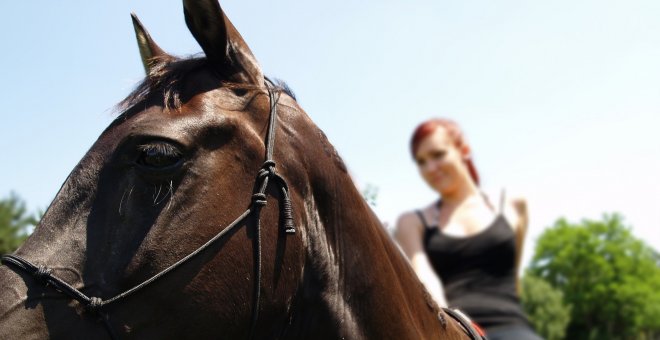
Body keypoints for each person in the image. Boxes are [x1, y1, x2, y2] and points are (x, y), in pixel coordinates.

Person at [395, 118, 542, 340]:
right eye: (421, 161)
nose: (430, 168)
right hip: (453, 330)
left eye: (438, 155)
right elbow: (424, 279)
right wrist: (453, 328)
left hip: (514, 331)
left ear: (463, 150)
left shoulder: (513, 205)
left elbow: (513, 279)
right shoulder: (412, 222)